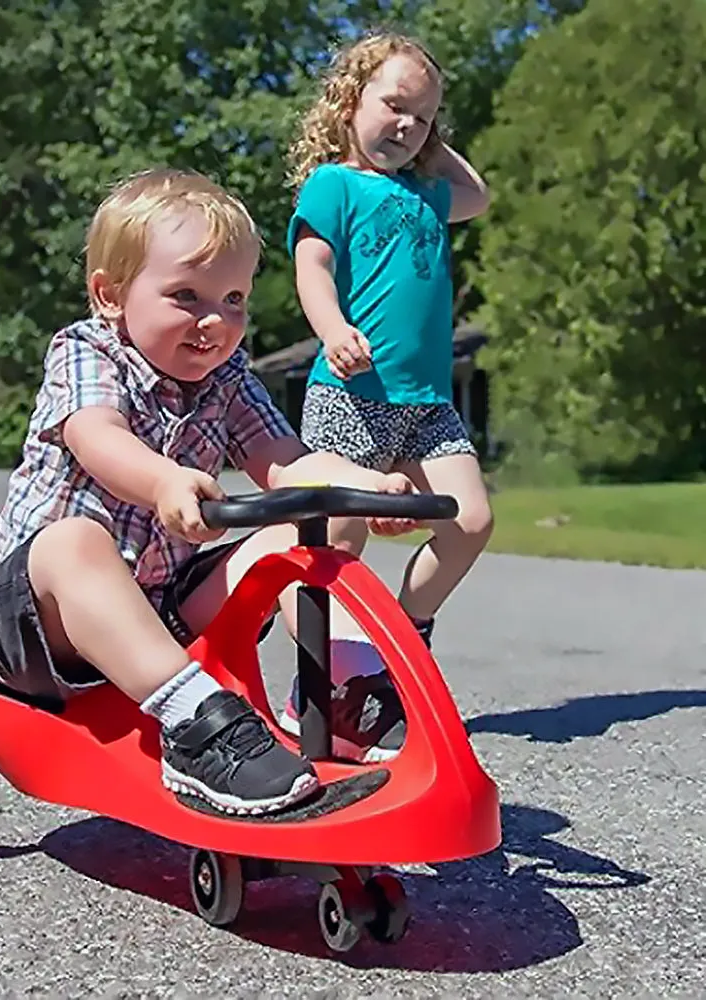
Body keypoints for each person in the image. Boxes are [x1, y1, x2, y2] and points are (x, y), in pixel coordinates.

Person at [0, 166, 421, 818]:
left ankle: (339, 694)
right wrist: (163, 480)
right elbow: (97, 435)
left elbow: (283, 461)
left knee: (318, 517)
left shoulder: (226, 375)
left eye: (234, 300)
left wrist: (365, 487)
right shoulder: (87, 352)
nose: (215, 321)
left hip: (163, 609)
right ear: (110, 294)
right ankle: (199, 729)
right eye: (187, 296)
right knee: (73, 543)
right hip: (35, 628)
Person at [280, 30, 494, 759]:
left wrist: (435, 140)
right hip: (351, 395)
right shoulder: (334, 185)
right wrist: (332, 326)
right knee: (338, 543)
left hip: (426, 403)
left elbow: (480, 196)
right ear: (349, 101)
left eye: (425, 117)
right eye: (394, 105)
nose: (407, 126)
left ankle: (402, 639)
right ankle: (325, 684)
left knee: (470, 522)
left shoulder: (430, 194)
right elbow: (312, 265)